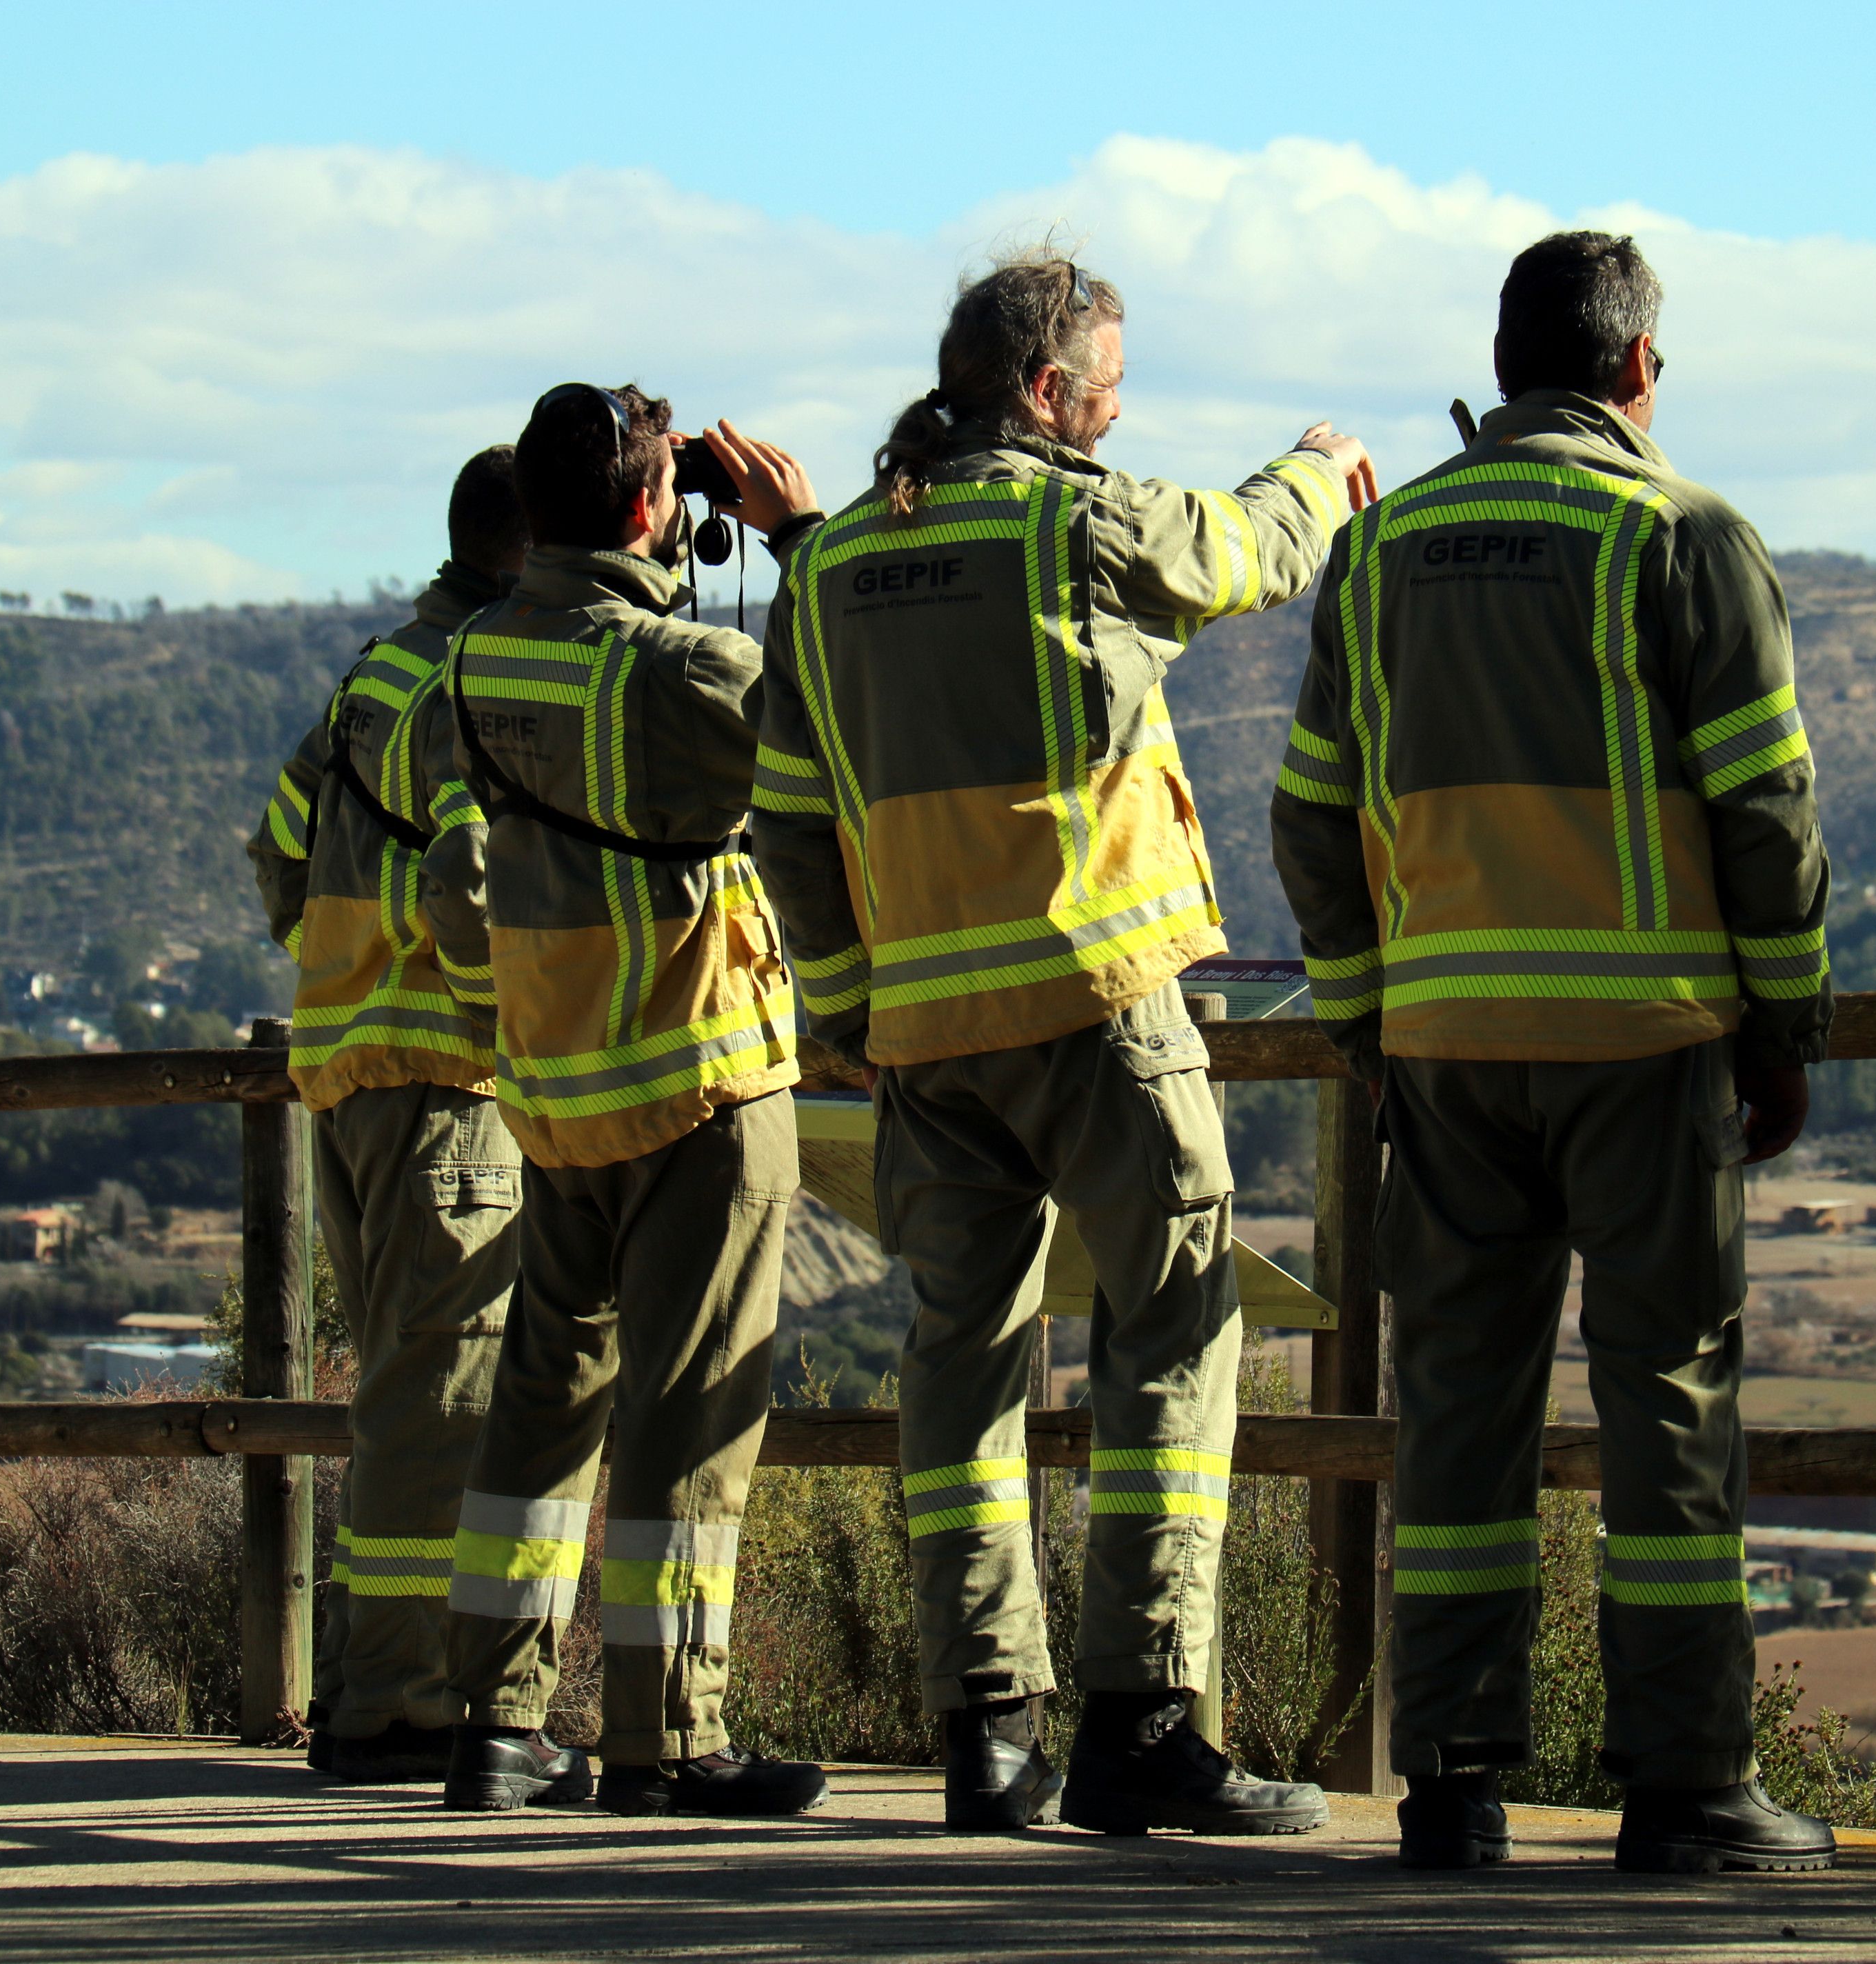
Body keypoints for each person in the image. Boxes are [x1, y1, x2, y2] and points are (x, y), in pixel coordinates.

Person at [754, 249, 1378, 1836]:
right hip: (1099, 1006)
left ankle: (987, 1733)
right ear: (1046, 391)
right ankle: (1145, 1716)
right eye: (1108, 383)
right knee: (1175, 1330)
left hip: (927, 1040)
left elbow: (794, 830)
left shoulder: (823, 575)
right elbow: (1246, 549)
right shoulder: (1077, 521)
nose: (1118, 408)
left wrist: (849, 1017)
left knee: (957, 1364)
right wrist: (1319, 464)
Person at [1270, 230, 1838, 1875]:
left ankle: (1450, 1777)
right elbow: (1768, 813)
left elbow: (1311, 817)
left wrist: (1365, 1011)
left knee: (1458, 1409)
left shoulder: (1379, 555)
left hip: (1444, 1053)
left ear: (1506, 364)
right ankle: (1684, 1787)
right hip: (1647, 1045)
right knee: (1667, 1395)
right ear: (1640, 368)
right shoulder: (1682, 532)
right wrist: (1785, 1024)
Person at [423, 381, 830, 1819]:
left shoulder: (472, 663)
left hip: (554, 1086)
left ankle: (495, 1716)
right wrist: (802, 543)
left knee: (546, 1398)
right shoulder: (683, 676)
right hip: (695, 1077)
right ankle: (668, 1733)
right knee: (686, 1410)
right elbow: (844, 731)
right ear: (658, 508)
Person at [248, 445, 530, 1783]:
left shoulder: (374, 674)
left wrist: (341, 961)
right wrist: (503, 1011)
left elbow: (276, 848)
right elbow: (474, 882)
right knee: (438, 1411)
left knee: (393, 1401)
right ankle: (394, 1701)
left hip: (345, 1077)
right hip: (445, 1089)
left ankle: (380, 1684)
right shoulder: (482, 681)